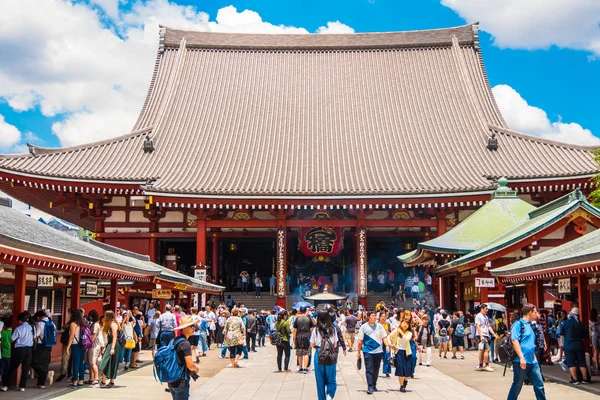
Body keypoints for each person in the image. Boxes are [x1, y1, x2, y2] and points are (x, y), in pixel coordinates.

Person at [507, 303, 546, 400]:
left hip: (532, 361)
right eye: (535, 312)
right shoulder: (518, 325)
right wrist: (521, 357)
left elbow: (530, 344)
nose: (537, 314)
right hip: (520, 361)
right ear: (530, 312)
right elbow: (515, 341)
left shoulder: (531, 326)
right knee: (517, 384)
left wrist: (535, 359)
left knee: (539, 383)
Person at [168, 315, 200, 400]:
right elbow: (190, 365)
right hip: (181, 380)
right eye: (192, 326)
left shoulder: (175, 340)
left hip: (172, 379)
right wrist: (196, 368)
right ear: (185, 328)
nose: (194, 328)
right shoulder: (185, 344)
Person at [356, 311, 388, 395]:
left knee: (376, 369)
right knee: (369, 369)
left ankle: (374, 384)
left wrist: (387, 345)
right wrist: (358, 351)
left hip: (378, 351)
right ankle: (370, 386)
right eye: (373, 316)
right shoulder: (363, 327)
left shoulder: (380, 326)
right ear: (368, 317)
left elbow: (384, 337)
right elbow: (360, 340)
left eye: (375, 316)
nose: (374, 317)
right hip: (368, 351)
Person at [311, 309, 339, 400]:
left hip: (319, 355)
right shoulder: (333, 329)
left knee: (320, 381)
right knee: (331, 379)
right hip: (330, 354)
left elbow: (312, 344)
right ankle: (330, 395)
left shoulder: (316, 329)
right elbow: (335, 344)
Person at [557, 307, 590, 384]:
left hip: (569, 345)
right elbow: (585, 335)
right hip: (579, 345)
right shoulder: (581, 324)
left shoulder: (565, 323)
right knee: (582, 362)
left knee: (571, 362)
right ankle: (585, 379)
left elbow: (559, 332)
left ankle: (575, 379)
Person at [386, 319, 413, 393]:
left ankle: (405, 381)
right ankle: (401, 386)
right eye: (404, 323)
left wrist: (401, 331)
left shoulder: (409, 333)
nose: (405, 325)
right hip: (399, 352)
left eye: (407, 324)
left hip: (407, 353)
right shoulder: (396, 331)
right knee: (400, 369)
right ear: (401, 323)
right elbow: (388, 336)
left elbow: (407, 339)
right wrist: (390, 344)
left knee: (407, 370)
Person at [10, 312, 33, 392]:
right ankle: (22, 386)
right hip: (29, 349)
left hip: (20, 349)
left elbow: (12, 339)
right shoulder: (31, 327)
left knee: (13, 366)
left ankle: (7, 383)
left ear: (19, 321)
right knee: (26, 368)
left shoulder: (18, 328)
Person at [32, 310, 55, 388]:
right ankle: (41, 383)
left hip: (40, 345)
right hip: (49, 345)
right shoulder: (52, 323)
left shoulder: (40, 324)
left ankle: (47, 373)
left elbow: (36, 335)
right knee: (44, 364)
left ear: (39, 317)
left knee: (34, 362)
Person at [66, 308, 87, 388]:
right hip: (83, 344)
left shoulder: (73, 324)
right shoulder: (84, 323)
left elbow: (71, 337)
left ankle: (75, 381)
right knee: (81, 362)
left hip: (75, 344)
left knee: (75, 363)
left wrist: (68, 347)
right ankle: (81, 380)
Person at [475, 304, 497, 371]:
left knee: (482, 350)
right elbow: (477, 326)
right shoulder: (478, 316)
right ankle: (486, 364)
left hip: (486, 334)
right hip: (481, 334)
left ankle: (481, 364)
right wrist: (481, 335)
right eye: (486, 309)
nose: (487, 310)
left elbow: (488, 326)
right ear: (482, 308)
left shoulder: (486, 317)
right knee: (487, 349)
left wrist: (493, 333)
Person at [293, 306, 314, 373]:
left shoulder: (297, 319)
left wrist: (294, 338)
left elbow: (295, 330)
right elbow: (311, 329)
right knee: (306, 352)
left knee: (299, 353)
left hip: (299, 336)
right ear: (305, 311)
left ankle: (300, 368)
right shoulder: (308, 319)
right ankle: (305, 368)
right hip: (307, 335)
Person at [86, 309, 103, 387]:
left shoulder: (95, 324)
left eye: (90, 315)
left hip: (94, 345)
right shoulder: (94, 324)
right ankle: (91, 378)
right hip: (94, 345)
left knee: (93, 362)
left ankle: (96, 378)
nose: (89, 317)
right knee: (91, 362)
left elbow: (94, 335)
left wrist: (88, 343)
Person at [0, 317, 11, 392]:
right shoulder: (13, 332)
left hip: (3, 353)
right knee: (8, 370)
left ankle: (3, 384)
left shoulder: (2, 333)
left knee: (2, 370)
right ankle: (6, 385)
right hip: (11, 354)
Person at [591, 308, 600, 375]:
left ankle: (597, 365)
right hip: (599, 336)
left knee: (596, 351)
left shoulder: (589, 321)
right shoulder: (598, 320)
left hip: (594, 337)